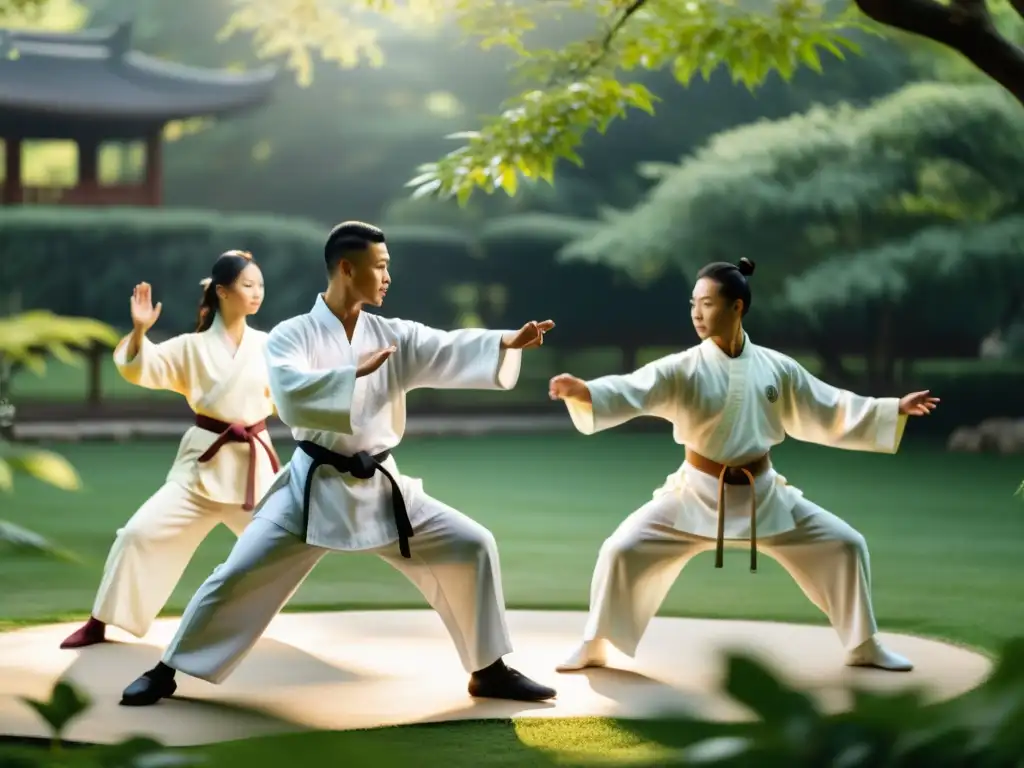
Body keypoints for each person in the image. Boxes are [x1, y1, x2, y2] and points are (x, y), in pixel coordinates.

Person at [119, 221, 559, 706]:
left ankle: (489, 670)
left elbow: (446, 345)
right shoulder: (292, 335)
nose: (389, 276)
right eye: (381, 266)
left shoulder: (394, 334)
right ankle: (167, 670)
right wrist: (351, 374)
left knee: (473, 543)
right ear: (347, 269)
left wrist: (504, 343)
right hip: (314, 489)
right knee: (237, 573)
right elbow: (289, 393)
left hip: (382, 488)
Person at [547, 257, 939, 674]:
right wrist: (585, 392)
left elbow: (829, 406)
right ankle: (595, 644)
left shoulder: (776, 367)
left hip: (763, 495)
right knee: (621, 549)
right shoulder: (683, 367)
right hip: (694, 495)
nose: (697, 314)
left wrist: (892, 408)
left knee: (847, 545)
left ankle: (864, 645)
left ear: (737, 307)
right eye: (693, 304)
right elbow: (633, 387)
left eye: (708, 303)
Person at [60, 251, 280, 650]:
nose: (257, 293)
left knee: (284, 547)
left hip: (254, 473)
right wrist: (140, 332)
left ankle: (242, 623)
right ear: (222, 292)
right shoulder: (191, 348)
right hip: (201, 469)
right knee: (137, 534)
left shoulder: (269, 347)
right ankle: (99, 621)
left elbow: (303, 388)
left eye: (260, 285)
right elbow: (140, 367)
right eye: (248, 285)